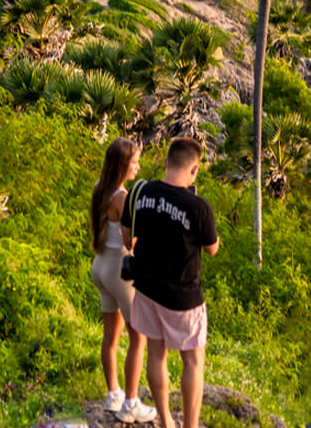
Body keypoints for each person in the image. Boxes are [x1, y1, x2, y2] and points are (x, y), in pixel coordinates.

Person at [121, 137, 219, 428]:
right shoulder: (198, 206)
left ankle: (166, 421)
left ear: (166, 162)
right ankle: (189, 426)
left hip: (147, 288)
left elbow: (128, 238)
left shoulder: (141, 192)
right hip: (183, 297)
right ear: (194, 170)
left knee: (156, 353)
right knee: (192, 361)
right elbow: (212, 248)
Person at [88, 137, 157, 423]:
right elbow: (131, 240)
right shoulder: (123, 197)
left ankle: (113, 395)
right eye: (135, 162)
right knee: (138, 336)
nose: (138, 166)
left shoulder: (99, 189)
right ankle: (131, 403)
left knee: (110, 335)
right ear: (121, 165)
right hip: (120, 269)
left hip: (101, 264)